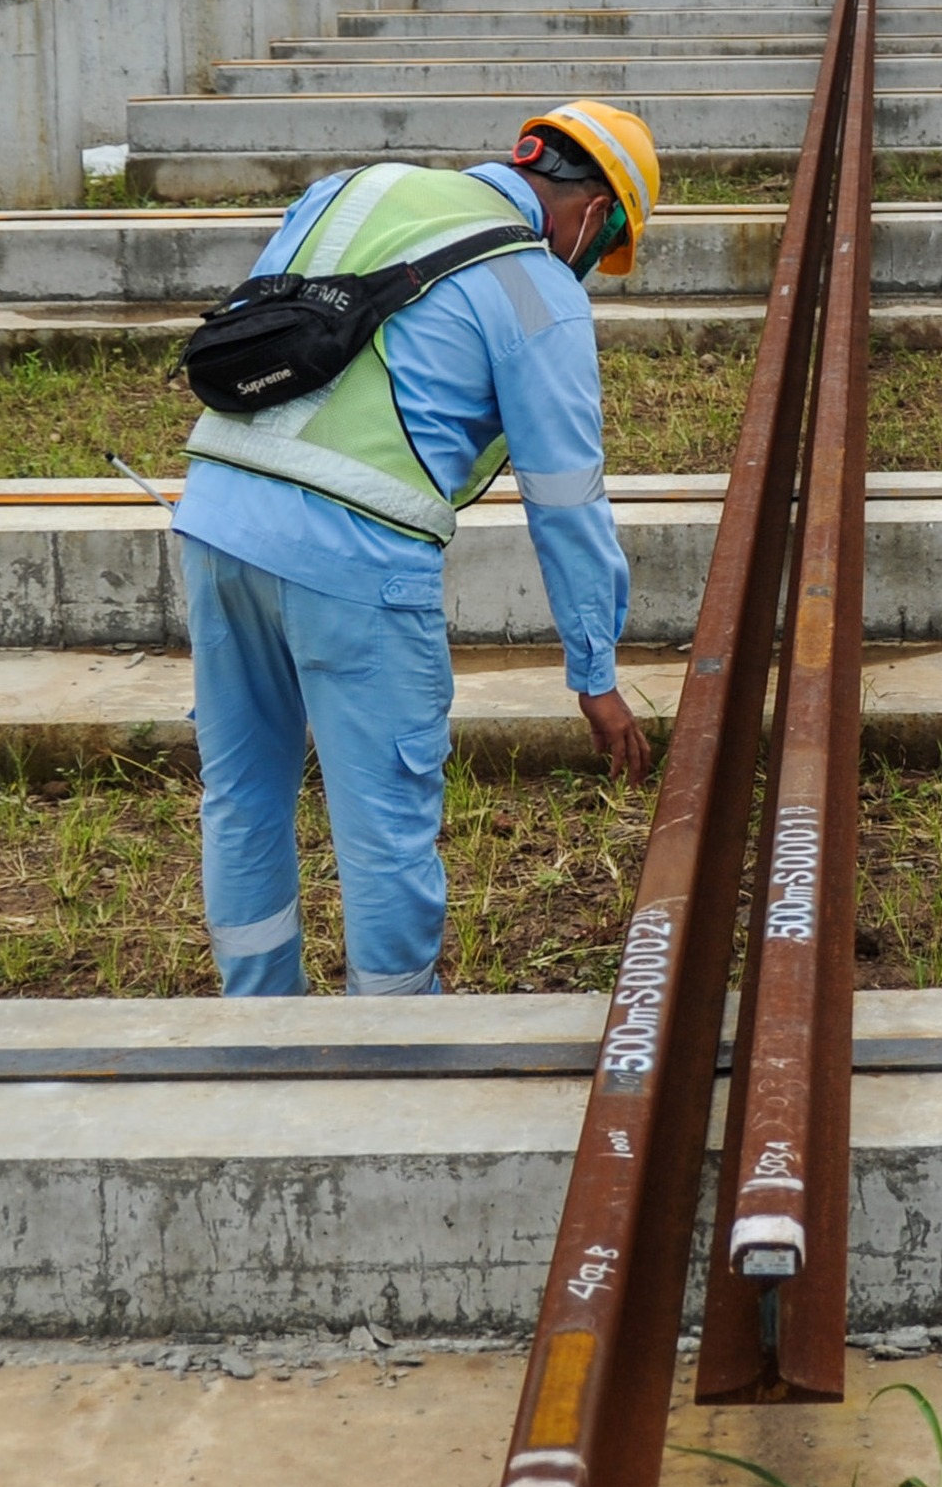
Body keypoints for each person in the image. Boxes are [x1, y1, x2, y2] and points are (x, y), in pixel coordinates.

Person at [173, 101, 664, 997]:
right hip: (351, 557)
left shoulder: (353, 189)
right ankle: (390, 1046)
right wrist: (594, 672)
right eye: (600, 250)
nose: (586, 268)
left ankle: (255, 1027)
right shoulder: (531, 282)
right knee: (383, 823)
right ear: (594, 212)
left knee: (242, 798)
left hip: (214, 516)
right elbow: (565, 497)